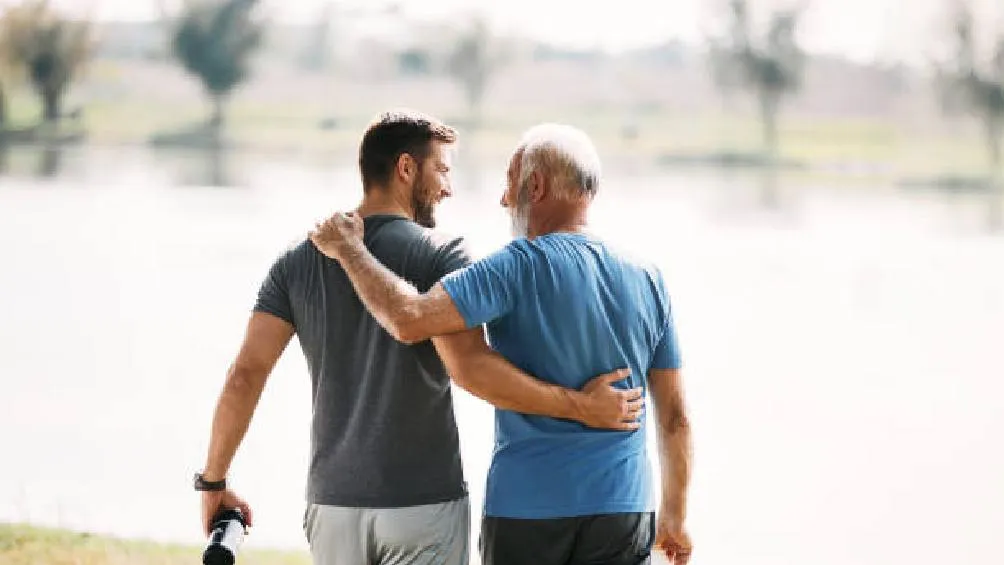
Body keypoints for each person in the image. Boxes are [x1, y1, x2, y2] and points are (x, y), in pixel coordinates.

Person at [194, 110, 645, 565]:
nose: (448, 187)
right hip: (422, 502)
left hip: (332, 505)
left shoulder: (300, 259)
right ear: (406, 168)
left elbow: (245, 376)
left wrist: (213, 482)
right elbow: (470, 368)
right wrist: (579, 405)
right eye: (442, 170)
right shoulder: (443, 254)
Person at [309, 122, 694, 565]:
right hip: (624, 507)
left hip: (526, 507)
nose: (503, 199)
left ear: (535, 184)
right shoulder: (649, 278)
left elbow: (407, 319)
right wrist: (674, 515)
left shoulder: (512, 268)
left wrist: (350, 251)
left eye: (509, 183)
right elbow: (676, 417)